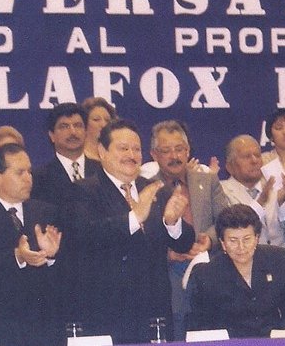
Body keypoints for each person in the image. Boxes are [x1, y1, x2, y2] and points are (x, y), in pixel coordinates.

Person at [62, 119, 195, 343]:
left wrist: (173, 223)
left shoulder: (155, 189)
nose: (132, 155)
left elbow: (184, 244)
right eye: (123, 149)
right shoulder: (82, 191)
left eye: (136, 149)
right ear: (102, 151)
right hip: (107, 312)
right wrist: (135, 217)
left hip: (154, 312)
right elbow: (87, 235)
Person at [0, 143, 64, 346]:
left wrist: (51, 256)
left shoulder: (47, 212)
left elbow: (68, 272)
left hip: (45, 327)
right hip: (1, 327)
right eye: (19, 172)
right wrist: (17, 256)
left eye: (29, 171)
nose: (28, 178)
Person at [148, 120, 229, 340]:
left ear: (188, 151)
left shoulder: (208, 180)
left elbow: (225, 220)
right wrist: (168, 253)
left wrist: (209, 240)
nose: (174, 156)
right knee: (176, 330)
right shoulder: (145, 186)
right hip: (168, 271)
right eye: (166, 150)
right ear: (154, 155)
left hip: (207, 267)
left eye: (179, 149)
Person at [187, 204, 285, 338]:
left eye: (247, 239)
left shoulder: (278, 260)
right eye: (233, 240)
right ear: (223, 243)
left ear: (256, 238)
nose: (241, 247)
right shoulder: (207, 274)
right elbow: (202, 326)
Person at [223, 135, 285, 247]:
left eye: (257, 155)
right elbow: (235, 227)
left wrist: (283, 204)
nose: (254, 161)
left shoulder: (275, 186)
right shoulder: (222, 191)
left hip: (280, 255)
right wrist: (260, 202)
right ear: (230, 167)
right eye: (246, 157)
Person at [32, 103, 104, 207]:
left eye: (78, 125)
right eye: (64, 126)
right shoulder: (38, 179)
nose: (73, 132)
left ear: (86, 132)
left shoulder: (103, 171)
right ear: (52, 135)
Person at [81, 96, 118, 161]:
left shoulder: (116, 157)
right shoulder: (76, 156)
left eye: (107, 120)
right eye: (96, 119)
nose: (103, 125)